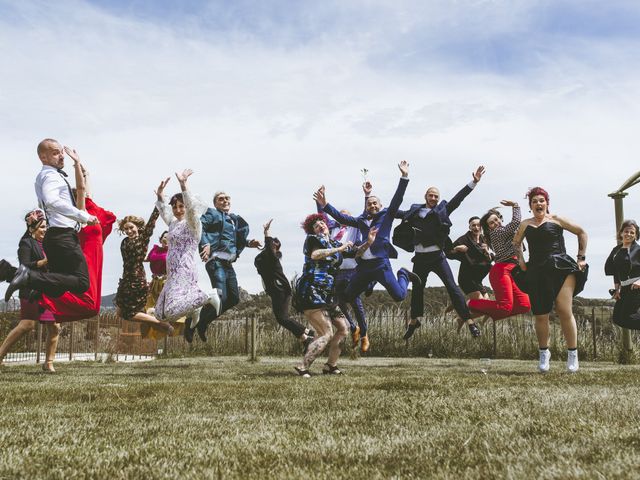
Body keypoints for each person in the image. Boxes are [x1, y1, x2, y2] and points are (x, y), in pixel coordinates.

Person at [314, 161, 419, 310]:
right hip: (364, 267)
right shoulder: (361, 221)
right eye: (369, 204)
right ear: (366, 207)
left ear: (380, 206)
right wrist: (325, 205)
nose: (373, 206)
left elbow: (398, 199)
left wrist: (404, 177)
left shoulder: (386, 215)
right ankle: (365, 287)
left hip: (381, 265)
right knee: (348, 296)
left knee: (399, 296)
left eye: (375, 203)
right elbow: (341, 218)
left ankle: (403, 274)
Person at [395, 166, 486, 340]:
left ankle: (469, 322)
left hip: (437, 257)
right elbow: (393, 212)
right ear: (425, 196)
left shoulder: (442, 209)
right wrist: (376, 209)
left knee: (452, 287)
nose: (434, 198)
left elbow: (458, 199)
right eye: (431, 195)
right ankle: (414, 321)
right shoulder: (414, 211)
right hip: (420, 258)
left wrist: (473, 182)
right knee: (417, 289)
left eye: (436, 196)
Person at [5, 140, 98, 302]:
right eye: (56, 153)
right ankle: (27, 278)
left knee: (56, 289)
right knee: (82, 283)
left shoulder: (44, 176)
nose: (62, 156)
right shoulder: (51, 176)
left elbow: (79, 191)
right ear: (43, 157)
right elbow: (51, 201)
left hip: (55, 237)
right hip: (63, 237)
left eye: (61, 152)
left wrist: (76, 164)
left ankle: (16, 276)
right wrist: (84, 217)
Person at [513, 187, 588, 373]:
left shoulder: (556, 219)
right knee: (541, 314)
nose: (538, 203)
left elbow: (582, 232)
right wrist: (521, 261)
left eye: (541, 200)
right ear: (530, 205)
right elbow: (516, 243)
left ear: (547, 203)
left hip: (561, 267)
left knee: (564, 310)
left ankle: (572, 354)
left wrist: (581, 257)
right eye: (534, 201)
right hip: (537, 271)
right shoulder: (525, 224)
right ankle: (544, 354)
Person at [293, 214, 377, 377]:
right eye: (316, 225)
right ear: (313, 230)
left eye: (322, 223)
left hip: (327, 294)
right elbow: (315, 255)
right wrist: (339, 249)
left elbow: (356, 253)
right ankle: (303, 366)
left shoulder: (334, 242)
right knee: (326, 332)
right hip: (312, 291)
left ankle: (330, 366)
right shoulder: (312, 240)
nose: (320, 225)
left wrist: (368, 242)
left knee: (344, 328)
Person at [39, 157, 116, 321]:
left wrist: (82, 169)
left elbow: (86, 186)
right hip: (85, 257)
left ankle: (52, 310)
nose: (84, 195)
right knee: (89, 305)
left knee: (94, 309)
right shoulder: (78, 215)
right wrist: (76, 167)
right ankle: (43, 293)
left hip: (96, 258)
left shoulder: (91, 208)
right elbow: (81, 188)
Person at [154, 171, 221, 342]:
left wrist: (184, 186)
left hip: (184, 270)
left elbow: (191, 210)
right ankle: (194, 308)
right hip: (172, 272)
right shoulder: (174, 223)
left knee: (169, 312)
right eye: (175, 206)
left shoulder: (192, 223)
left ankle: (208, 296)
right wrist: (161, 196)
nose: (177, 210)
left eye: (181, 206)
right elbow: (165, 213)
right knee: (160, 313)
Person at [0, 210, 61, 372]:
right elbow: (25, 266)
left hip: (48, 288)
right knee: (27, 325)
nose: (45, 230)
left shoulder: (49, 243)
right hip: (31, 288)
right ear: (32, 228)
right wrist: (44, 262)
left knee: (54, 326)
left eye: (46, 226)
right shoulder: (25, 243)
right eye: (42, 227)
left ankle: (48, 363)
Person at [197, 191, 261, 341]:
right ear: (215, 203)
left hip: (228, 265)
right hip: (216, 261)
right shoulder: (212, 214)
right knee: (220, 297)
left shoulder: (233, 220)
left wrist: (249, 243)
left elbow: (233, 239)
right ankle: (194, 319)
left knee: (233, 299)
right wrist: (205, 244)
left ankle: (202, 322)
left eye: (227, 198)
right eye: (221, 199)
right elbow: (199, 227)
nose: (225, 200)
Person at [317, 184, 369, 352]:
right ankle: (353, 327)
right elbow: (322, 216)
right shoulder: (332, 228)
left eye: (346, 216)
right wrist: (320, 202)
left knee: (355, 301)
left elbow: (366, 213)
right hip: (337, 270)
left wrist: (367, 196)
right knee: (338, 303)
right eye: (341, 216)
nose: (343, 218)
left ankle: (364, 334)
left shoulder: (354, 227)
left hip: (352, 268)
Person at [254, 219, 314, 350]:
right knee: (281, 319)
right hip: (275, 291)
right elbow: (262, 260)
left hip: (281, 290)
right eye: (273, 243)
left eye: (276, 244)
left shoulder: (274, 258)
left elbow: (269, 251)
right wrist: (264, 248)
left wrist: (266, 232)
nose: (274, 245)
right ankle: (305, 339)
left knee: (283, 318)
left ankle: (309, 333)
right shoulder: (262, 258)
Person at [114, 203, 173, 335]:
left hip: (136, 281)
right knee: (119, 312)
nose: (129, 231)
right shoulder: (124, 241)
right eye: (126, 229)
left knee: (129, 314)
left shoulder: (142, 239)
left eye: (131, 228)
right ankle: (152, 319)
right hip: (126, 280)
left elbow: (152, 221)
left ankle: (159, 323)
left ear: (137, 227)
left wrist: (159, 202)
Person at [466, 201, 530, 322]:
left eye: (496, 219)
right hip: (502, 270)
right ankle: (470, 303)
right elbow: (516, 222)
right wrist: (515, 205)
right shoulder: (497, 233)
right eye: (491, 222)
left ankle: (493, 313)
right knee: (505, 307)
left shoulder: (504, 231)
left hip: (514, 270)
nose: (495, 223)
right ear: (488, 227)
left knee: (524, 305)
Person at [447, 216, 493, 303]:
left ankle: (460, 308)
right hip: (467, 278)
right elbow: (449, 253)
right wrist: (457, 248)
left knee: (488, 305)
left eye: (478, 225)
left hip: (478, 280)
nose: (476, 228)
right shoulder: (464, 239)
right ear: (470, 227)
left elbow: (489, 260)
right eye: (473, 225)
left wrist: (487, 251)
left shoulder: (484, 239)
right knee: (483, 304)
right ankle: (462, 308)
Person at [604, 220, 640, 330]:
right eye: (626, 231)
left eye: (632, 233)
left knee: (627, 317)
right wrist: (617, 290)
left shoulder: (638, 250)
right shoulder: (616, 251)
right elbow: (615, 271)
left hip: (636, 288)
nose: (628, 234)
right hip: (624, 288)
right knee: (617, 318)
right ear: (621, 233)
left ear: (636, 236)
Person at [145, 231, 169, 312]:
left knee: (164, 306)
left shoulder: (173, 252)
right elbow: (146, 259)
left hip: (166, 281)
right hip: (154, 281)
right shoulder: (155, 249)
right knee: (151, 305)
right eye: (165, 237)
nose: (167, 239)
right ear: (161, 239)